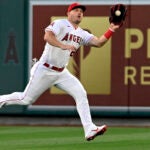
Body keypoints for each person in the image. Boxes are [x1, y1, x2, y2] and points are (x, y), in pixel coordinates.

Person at [0, 2, 121, 141]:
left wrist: (111, 29)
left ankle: (90, 129)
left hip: (61, 73)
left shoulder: (82, 33)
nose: (79, 12)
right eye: (75, 10)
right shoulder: (60, 24)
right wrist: (63, 45)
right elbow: (47, 36)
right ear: (68, 13)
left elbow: (99, 42)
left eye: (81, 11)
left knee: (80, 93)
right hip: (44, 69)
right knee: (25, 99)